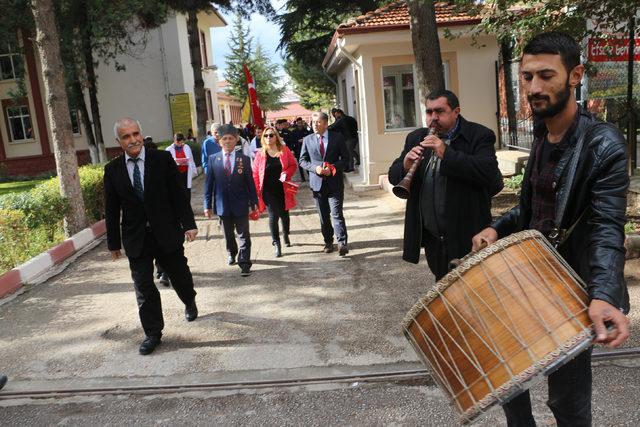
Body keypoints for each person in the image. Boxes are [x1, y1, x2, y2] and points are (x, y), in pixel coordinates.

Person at [472, 31, 630, 426]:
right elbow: (530, 209)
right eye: (527, 77)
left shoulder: (604, 146)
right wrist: (496, 228)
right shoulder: (541, 134)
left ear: (575, 75)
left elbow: (607, 228)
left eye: (546, 76)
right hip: (527, 276)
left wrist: (604, 293)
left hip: (572, 289)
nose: (534, 88)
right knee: (508, 379)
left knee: (567, 401)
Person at [104, 117, 199, 356]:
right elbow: (112, 208)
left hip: (166, 232)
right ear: (119, 141)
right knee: (144, 286)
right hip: (137, 238)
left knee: (180, 276)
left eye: (135, 134)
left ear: (141, 134)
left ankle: (189, 300)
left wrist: (188, 224)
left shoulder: (162, 159)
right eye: (126, 136)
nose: (133, 140)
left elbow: (178, 195)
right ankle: (153, 333)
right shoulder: (112, 170)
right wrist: (113, 243)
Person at [387, 89, 503, 281]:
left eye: (439, 112)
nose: (433, 118)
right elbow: (393, 176)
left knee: (473, 293)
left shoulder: (480, 135)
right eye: (429, 112)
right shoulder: (416, 138)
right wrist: (406, 165)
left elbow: (489, 173)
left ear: (456, 112)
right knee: (443, 291)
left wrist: (445, 152)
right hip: (434, 239)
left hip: (469, 235)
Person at [204, 124, 259, 277]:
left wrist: (254, 202)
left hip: (241, 203)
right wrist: (206, 205)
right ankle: (231, 252)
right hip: (222, 205)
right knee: (228, 235)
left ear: (236, 140)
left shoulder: (244, 159)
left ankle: (245, 263)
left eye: (231, 138)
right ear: (219, 141)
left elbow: (250, 182)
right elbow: (209, 184)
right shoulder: (213, 159)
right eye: (224, 139)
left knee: (244, 235)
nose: (227, 141)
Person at [299, 112, 350, 256]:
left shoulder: (337, 137)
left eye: (318, 122)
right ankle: (328, 241)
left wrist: (333, 168)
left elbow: (346, 158)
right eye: (313, 122)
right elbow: (302, 161)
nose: (314, 124)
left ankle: (342, 243)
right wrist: (314, 168)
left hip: (334, 183)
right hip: (317, 184)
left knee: (336, 213)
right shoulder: (307, 140)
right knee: (323, 215)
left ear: (326, 124)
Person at [253, 126, 298, 257]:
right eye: (266, 135)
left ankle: (286, 235)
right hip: (267, 190)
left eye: (271, 135)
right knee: (273, 215)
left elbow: (293, 165)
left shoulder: (284, 150)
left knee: (285, 214)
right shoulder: (260, 154)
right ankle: (276, 243)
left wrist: (286, 173)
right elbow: (255, 173)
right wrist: (257, 190)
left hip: (283, 189)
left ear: (276, 137)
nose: (268, 138)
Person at [166, 133, 197, 202]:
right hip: (175, 174)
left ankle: (187, 207)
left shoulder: (186, 147)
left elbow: (191, 159)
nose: (180, 143)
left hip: (185, 173)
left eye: (181, 141)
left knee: (187, 191)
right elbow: (167, 163)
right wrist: (176, 162)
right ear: (174, 140)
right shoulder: (168, 149)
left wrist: (194, 170)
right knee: (178, 192)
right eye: (178, 142)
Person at [290, 117, 311, 182]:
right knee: (300, 164)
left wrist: (305, 140)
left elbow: (310, 139)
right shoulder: (294, 131)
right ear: (297, 123)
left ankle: (309, 176)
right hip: (298, 149)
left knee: (308, 162)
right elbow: (292, 141)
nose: (300, 124)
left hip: (306, 149)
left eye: (301, 122)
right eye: (299, 123)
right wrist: (298, 141)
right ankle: (302, 177)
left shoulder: (306, 131)